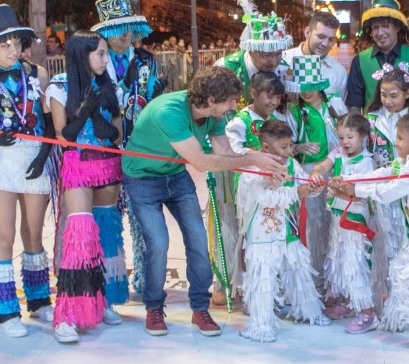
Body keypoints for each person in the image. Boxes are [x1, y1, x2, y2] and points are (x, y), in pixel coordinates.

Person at [122, 66, 287, 337]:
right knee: (159, 242)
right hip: (142, 178)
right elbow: (201, 162)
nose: (235, 106)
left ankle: (199, 308)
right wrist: (251, 159)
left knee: (199, 240)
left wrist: (261, 166)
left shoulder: (215, 116)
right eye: (231, 100)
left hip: (174, 175)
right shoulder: (169, 111)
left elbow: (227, 156)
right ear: (211, 100)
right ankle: (153, 307)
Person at [331, 113, 409, 349]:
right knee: (398, 270)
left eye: (399, 138)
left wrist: (353, 190)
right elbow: (383, 173)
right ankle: (395, 319)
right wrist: (348, 178)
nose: (395, 143)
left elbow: (388, 193)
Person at [0, 4, 56, 338]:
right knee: (3, 235)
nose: (12, 50)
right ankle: (5, 312)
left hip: (34, 158)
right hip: (2, 163)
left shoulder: (37, 75)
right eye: (3, 44)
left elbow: (49, 123)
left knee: (33, 234)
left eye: (16, 43)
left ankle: (38, 300)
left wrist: (44, 152)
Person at [45, 30, 122, 343]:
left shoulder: (108, 84)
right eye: (101, 53)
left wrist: (102, 116)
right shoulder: (60, 86)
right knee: (78, 237)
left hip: (108, 164)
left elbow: (116, 133)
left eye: (106, 54)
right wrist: (86, 109)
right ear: (82, 54)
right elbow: (65, 136)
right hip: (78, 163)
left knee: (105, 234)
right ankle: (67, 314)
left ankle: (102, 300)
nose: (106, 59)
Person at [90, 0, 160, 316]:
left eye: (128, 29)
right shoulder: (96, 61)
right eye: (117, 30)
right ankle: (109, 282)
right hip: (103, 151)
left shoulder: (147, 60)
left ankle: (145, 281)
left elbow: (153, 103)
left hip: (140, 149)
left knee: (142, 217)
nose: (124, 37)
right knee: (108, 219)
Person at [236, 119, 330, 343]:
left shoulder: (291, 165)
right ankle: (261, 325)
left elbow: (302, 187)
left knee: (299, 270)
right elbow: (265, 199)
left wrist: (312, 187)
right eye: (284, 147)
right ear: (266, 148)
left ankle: (308, 312)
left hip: (288, 228)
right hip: (262, 232)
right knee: (263, 278)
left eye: (290, 146)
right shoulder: (251, 170)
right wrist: (299, 192)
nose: (290, 151)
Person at [212, 71, 285, 305]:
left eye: (278, 97)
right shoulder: (239, 121)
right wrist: (258, 157)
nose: (273, 102)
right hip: (248, 190)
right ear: (253, 93)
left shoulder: (278, 119)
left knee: (271, 234)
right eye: (269, 96)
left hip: (273, 189)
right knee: (248, 238)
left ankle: (270, 285)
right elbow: (233, 150)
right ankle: (244, 287)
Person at [309, 113, 377, 333]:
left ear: (363, 136)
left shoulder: (366, 162)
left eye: (350, 137)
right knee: (338, 262)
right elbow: (322, 166)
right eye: (341, 137)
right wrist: (317, 174)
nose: (345, 142)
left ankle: (367, 312)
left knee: (354, 264)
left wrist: (335, 189)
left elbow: (360, 195)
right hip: (338, 220)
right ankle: (348, 303)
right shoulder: (338, 153)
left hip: (355, 223)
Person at [283, 55, 343, 294]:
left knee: (339, 222)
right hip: (312, 172)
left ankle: (337, 279)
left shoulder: (335, 102)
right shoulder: (295, 110)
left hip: (338, 168)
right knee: (315, 224)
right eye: (302, 89)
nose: (306, 93)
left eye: (310, 88)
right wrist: (300, 148)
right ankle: (316, 279)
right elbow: (289, 144)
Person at [364, 66, 409, 312]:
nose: (388, 100)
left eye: (394, 95)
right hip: (379, 186)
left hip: (406, 190)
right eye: (384, 94)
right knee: (381, 243)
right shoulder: (372, 118)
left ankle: (403, 299)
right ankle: (380, 295)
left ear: (408, 93)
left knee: (403, 243)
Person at [345, 0, 409, 113]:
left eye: (386, 26)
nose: (380, 33)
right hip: (371, 129)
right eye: (375, 27)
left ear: (397, 27)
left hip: (407, 128)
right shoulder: (360, 60)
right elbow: (354, 103)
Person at [215, 0, 291, 102]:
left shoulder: (285, 71)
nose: (273, 62)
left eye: (278, 54)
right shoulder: (224, 68)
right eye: (267, 55)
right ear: (250, 50)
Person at [282, 11, 348, 97]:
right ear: (307, 33)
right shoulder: (283, 59)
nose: (325, 43)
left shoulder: (339, 73)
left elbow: (340, 108)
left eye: (331, 39)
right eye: (321, 37)